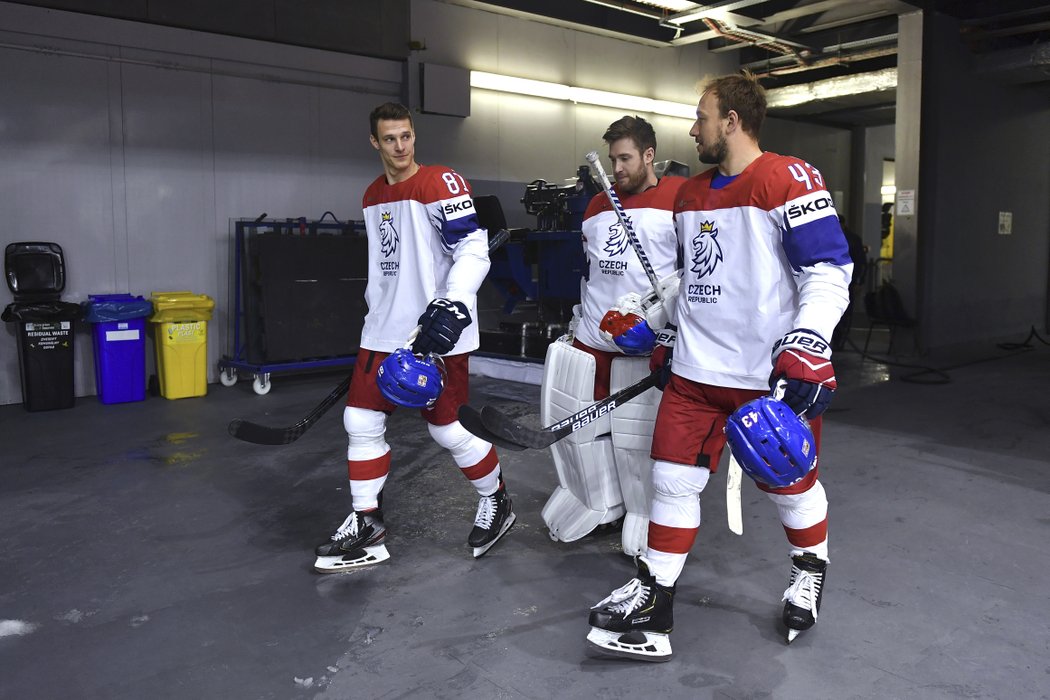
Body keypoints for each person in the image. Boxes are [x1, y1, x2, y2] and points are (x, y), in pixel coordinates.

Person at [586, 71, 852, 659]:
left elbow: (828, 270)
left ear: (731, 120)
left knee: (790, 484)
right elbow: (699, 280)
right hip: (694, 373)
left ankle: (810, 567)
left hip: (766, 379)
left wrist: (810, 342)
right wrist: (656, 329)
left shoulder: (787, 178)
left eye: (701, 117)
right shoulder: (689, 194)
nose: (693, 128)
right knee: (671, 481)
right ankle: (656, 599)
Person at [313, 102, 515, 573]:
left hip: (435, 331)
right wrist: (374, 318)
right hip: (382, 330)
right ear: (374, 143)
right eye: (389, 139)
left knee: (449, 429)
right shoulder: (371, 196)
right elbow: (386, 269)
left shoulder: (439, 182)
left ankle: (497, 500)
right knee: (360, 423)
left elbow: (471, 246)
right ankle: (368, 523)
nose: (400, 147)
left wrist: (454, 302)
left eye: (406, 136)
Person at [540, 116, 686, 556]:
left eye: (625, 158)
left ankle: (643, 510)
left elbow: (692, 277)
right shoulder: (597, 206)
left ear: (648, 155)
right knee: (573, 426)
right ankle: (596, 501)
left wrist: (665, 326)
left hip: (643, 341)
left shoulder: (682, 200)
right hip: (592, 337)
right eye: (612, 159)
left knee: (635, 439)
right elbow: (593, 272)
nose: (616, 167)